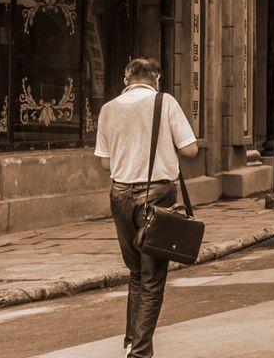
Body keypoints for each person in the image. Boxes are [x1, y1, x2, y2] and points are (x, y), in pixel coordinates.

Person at [94, 58, 199, 358]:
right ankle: (139, 353)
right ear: (157, 78)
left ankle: (132, 341)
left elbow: (105, 163)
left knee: (136, 272)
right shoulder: (164, 103)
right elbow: (190, 149)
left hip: (120, 196)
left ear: (126, 79)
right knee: (153, 276)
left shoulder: (108, 109)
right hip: (156, 195)